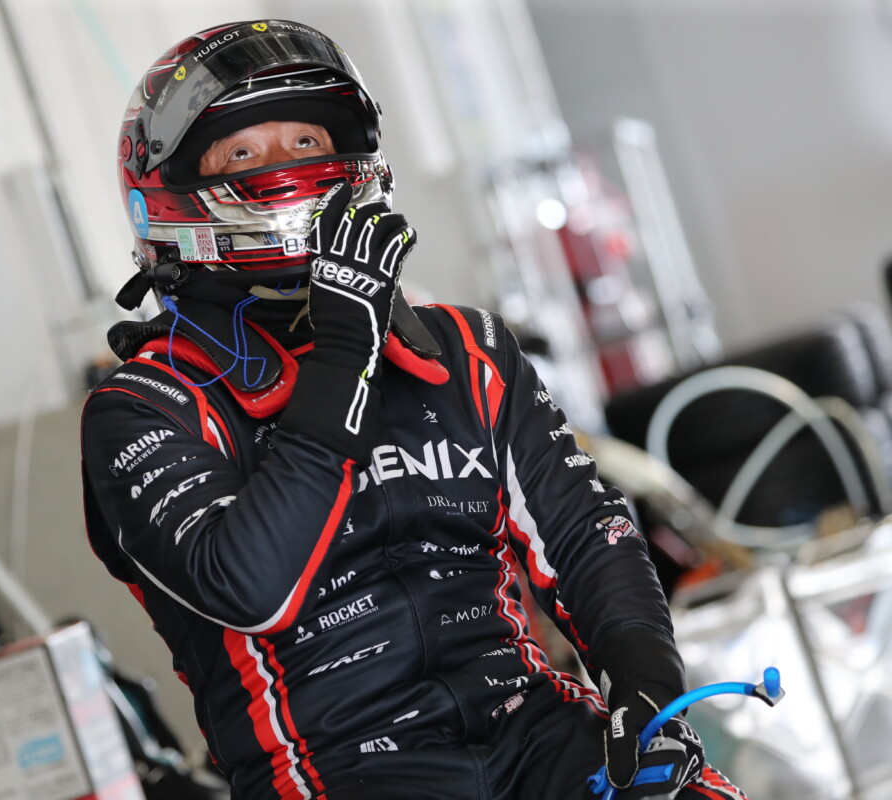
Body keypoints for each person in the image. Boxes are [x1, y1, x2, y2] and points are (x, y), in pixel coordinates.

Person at [81, 19, 746, 800]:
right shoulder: (140, 408)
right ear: (169, 191)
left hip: (532, 733)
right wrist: (346, 352)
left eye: (306, 143)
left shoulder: (468, 350)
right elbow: (252, 589)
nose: (287, 168)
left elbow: (584, 536)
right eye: (245, 154)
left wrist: (647, 692)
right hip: (335, 770)